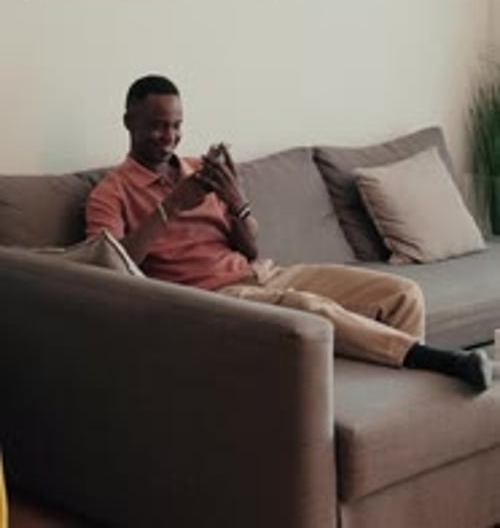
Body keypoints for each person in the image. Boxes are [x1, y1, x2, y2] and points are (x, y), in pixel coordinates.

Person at [86, 74, 492, 392]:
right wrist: (173, 204)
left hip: (264, 272)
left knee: (402, 294)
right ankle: (441, 362)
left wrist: (236, 197)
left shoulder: (200, 169)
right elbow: (112, 268)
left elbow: (250, 246)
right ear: (128, 122)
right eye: (157, 127)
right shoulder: (111, 191)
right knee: (311, 310)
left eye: (176, 126)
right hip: (211, 296)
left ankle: (392, 407)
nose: (169, 137)